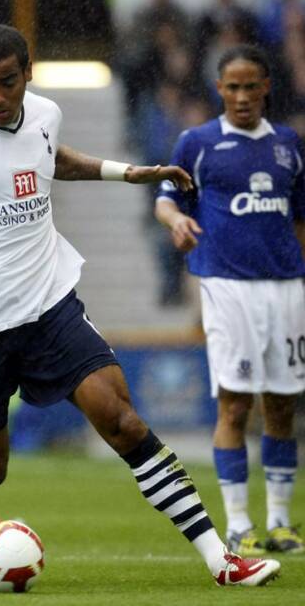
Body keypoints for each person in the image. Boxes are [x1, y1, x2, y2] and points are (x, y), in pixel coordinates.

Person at [0, 24, 282, 587]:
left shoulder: (45, 113)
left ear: (27, 73)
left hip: (48, 304)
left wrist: (125, 172)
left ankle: (219, 558)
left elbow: (47, 158)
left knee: (123, 420)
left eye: (7, 83)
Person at [155, 44, 305, 556]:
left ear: (266, 87)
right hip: (226, 285)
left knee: (283, 405)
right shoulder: (197, 143)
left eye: (251, 87)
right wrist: (176, 221)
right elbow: (166, 199)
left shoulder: (289, 145)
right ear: (220, 90)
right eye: (232, 87)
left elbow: (300, 217)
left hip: (285, 287)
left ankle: (282, 522)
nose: (242, 97)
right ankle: (239, 523)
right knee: (236, 404)